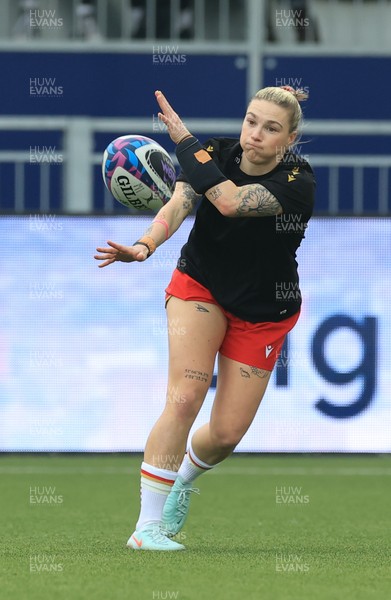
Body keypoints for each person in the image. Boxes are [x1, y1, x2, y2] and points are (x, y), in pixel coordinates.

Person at [95, 86, 315, 551]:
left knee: (225, 433)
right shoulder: (213, 151)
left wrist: (184, 143)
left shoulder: (298, 182)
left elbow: (231, 201)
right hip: (201, 286)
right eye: (252, 120)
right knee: (185, 395)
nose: (255, 134)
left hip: (264, 310)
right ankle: (146, 529)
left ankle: (184, 479)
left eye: (271, 128)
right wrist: (145, 245)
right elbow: (179, 204)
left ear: (290, 138)